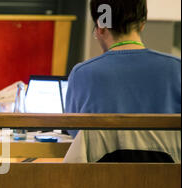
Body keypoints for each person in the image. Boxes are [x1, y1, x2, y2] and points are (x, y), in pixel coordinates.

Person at [63, 0, 180, 162]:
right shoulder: (177, 69)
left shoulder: (82, 74)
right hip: (169, 183)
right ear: (142, 24)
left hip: (101, 183)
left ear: (101, 28)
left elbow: (77, 136)